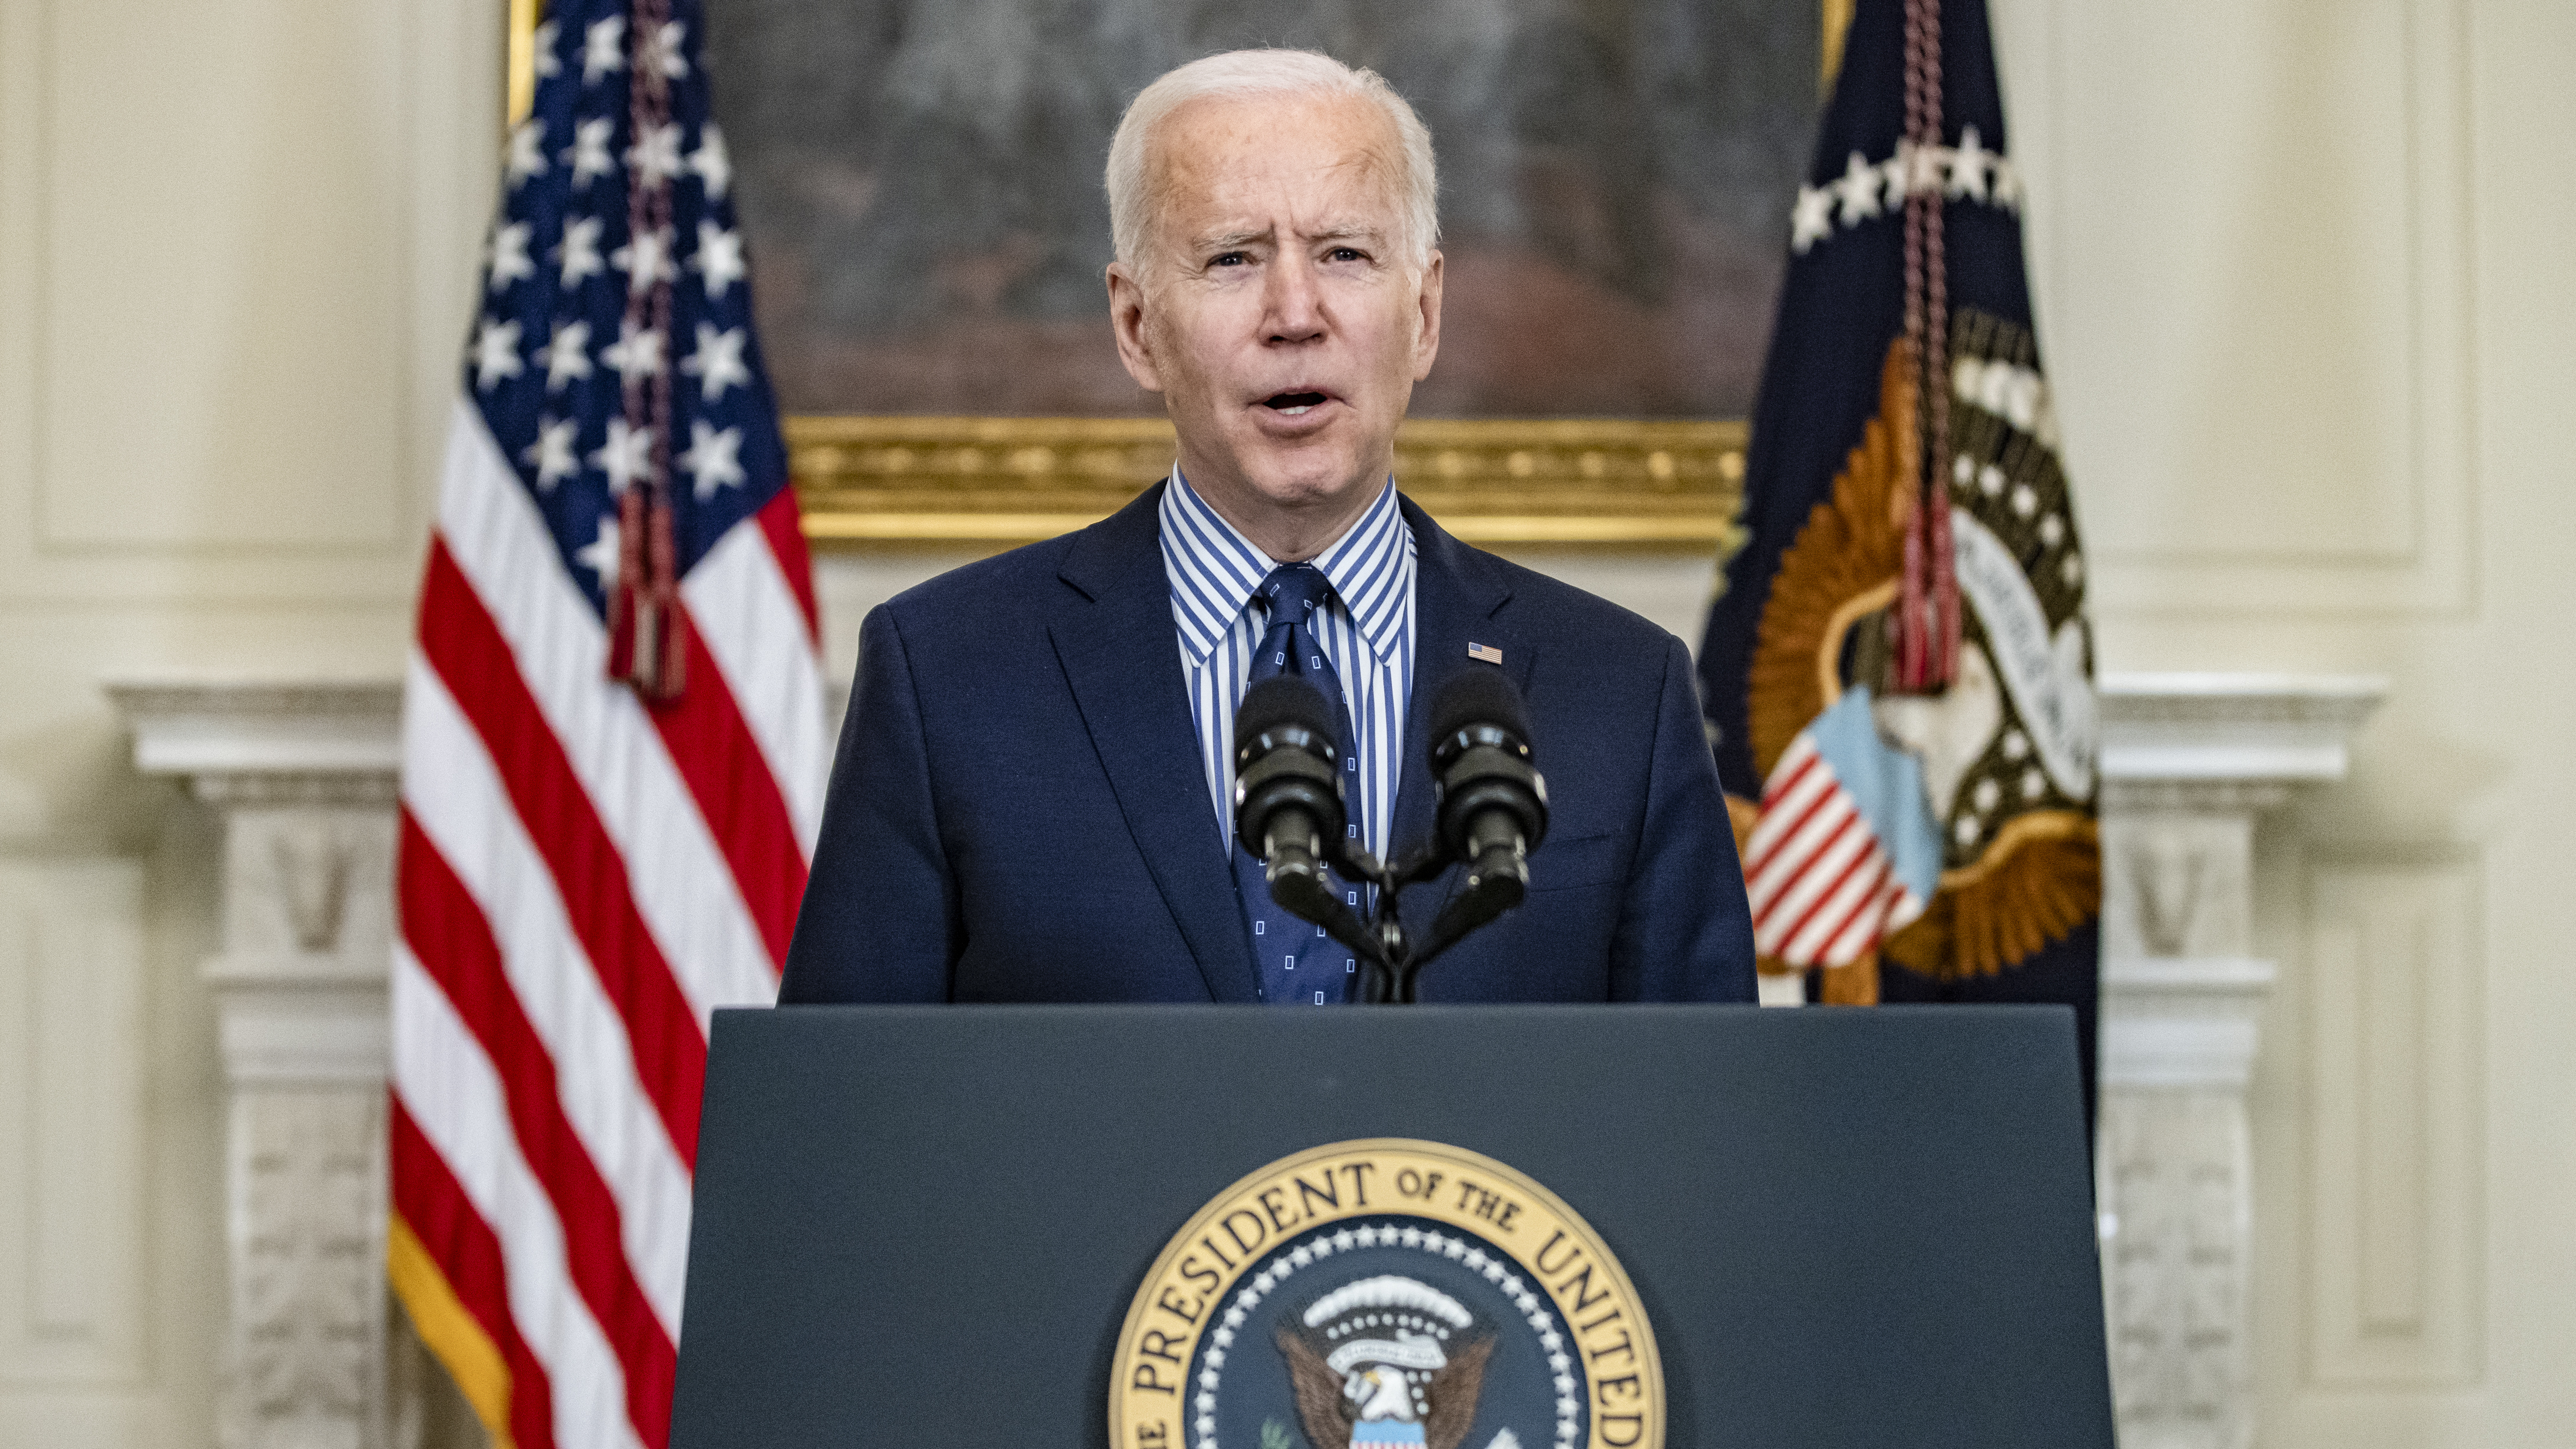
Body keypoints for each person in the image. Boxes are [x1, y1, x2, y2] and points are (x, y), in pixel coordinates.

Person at [779, 49, 1755, 1004]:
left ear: (1424, 313)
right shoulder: (946, 679)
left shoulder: (1625, 693)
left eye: (1345, 254)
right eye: (1233, 258)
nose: (1295, 313)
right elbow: (845, 1130)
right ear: (1136, 327)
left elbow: (1703, 1134)